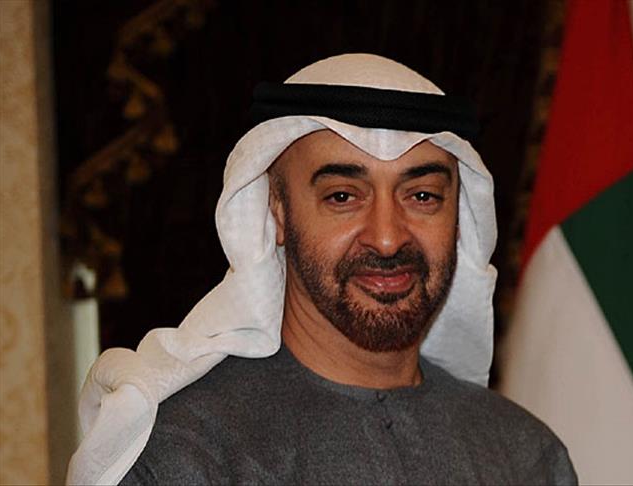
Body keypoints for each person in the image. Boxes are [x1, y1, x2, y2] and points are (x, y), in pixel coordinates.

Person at [67, 54, 577, 485]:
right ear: (278, 212)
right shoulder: (184, 454)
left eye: (422, 196)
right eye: (342, 196)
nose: (387, 237)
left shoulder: (525, 456)